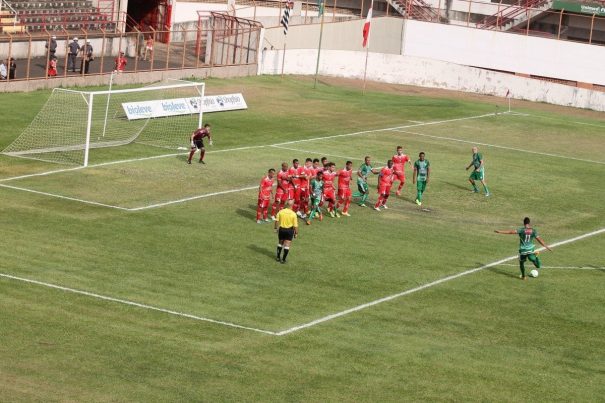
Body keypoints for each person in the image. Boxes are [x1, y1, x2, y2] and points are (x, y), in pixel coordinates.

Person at [274, 199, 298, 264]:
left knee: (280, 243)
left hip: (281, 229)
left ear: (286, 204)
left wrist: (275, 228)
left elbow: (276, 221)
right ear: (292, 205)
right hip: (289, 231)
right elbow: (295, 226)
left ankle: (278, 257)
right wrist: (296, 233)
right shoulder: (293, 214)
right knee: (287, 245)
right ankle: (283, 259)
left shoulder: (281, 212)